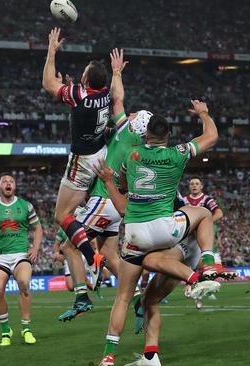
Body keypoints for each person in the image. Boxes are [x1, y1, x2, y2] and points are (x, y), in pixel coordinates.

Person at [97, 101, 230, 366]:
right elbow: (212, 136)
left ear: (146, 136)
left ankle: (108, 358)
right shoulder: (176, 153)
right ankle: (208, 265)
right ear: (168, 136)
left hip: (135, 234)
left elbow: (123, 207)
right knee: (202, 212)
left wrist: (111, 183)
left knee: (123, 297)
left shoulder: (130, 157)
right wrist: (203, 112)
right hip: (165, 230)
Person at [58, 49, 148, 322]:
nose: (129, 113)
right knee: (110, 253)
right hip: (117, 204)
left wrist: (117, 73)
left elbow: (117, 101)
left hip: (103, 198)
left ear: (135, 124)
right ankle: (138, 301)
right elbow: (104, 110)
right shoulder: (136, 145)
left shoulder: (123, 130)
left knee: (67, 246)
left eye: (134, 115)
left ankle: (81, 296)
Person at [42, 27, 110, 283]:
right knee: (83, 207)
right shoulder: (104, 93)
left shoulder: (79, 96)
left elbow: (48, 83)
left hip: (82, 161)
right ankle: (99, 256)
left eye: (83, 76)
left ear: (86, 82)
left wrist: (51, 50)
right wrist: (72, 85)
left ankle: (92, 257)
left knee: (62, 215)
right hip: (100, 154)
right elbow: (85, 93)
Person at [0, 172, 43, 346]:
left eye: (11, 181)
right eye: (4, 181)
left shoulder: (25, 205)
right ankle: (6, 330)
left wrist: (35, 248)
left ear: (14, 186)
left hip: (21, 254)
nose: (8, 183)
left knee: (24, 284)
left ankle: (26, 329)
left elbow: (38, 228)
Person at [182, 176, 228, 308]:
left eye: (197, 184)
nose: (194, 186)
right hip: (188, 237)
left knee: (204, 265)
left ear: (201, 186)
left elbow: (219, 213)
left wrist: (205, 224)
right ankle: (194, 288)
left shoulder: (207, 200)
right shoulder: (184, 200)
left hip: (202, 237)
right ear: (189, 186)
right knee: (189, 265)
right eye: (192, 184)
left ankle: (199, 295)